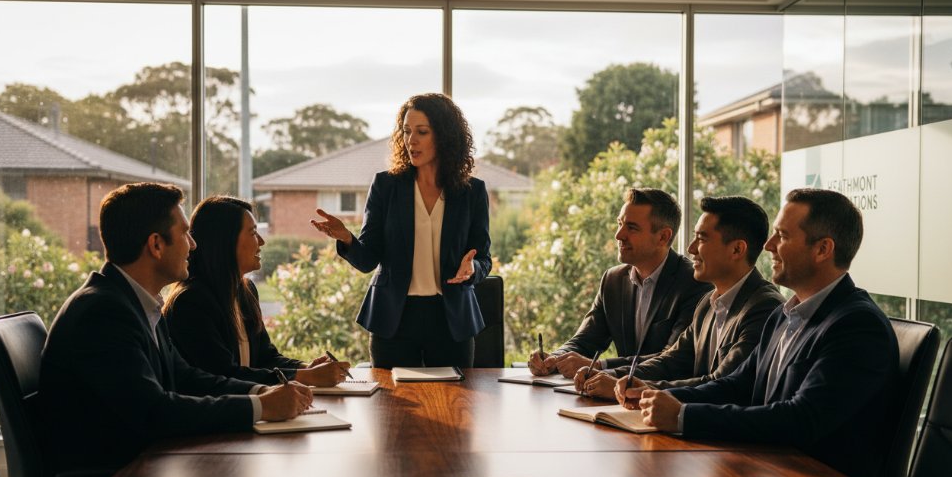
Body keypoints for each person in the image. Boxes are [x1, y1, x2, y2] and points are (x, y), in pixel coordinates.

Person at [619, 188, 897, 477]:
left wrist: (682, 416)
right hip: (774, 474)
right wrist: (657, 397)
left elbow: (800, 419)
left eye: (783, 236)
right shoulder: (785, 314)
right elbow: (738, 385)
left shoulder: (857, 325)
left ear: (822, 250)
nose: (768, 245)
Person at [41, 183, 314, 475]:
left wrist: (263, 392)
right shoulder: (103, 313)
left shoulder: (133, 302)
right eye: (185, 233)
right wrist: (260, 408)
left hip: (145, 469)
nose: (193, 244)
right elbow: (154, 412)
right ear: (156, 245)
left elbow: (185, 377)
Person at [310, 93, 491, 368]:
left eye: (422, 132)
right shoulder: (386, 186)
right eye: (406, 131)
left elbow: (484, 258)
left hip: (451, 321)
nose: (411, 140)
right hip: (394, 319)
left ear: (444, 136)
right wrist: (346, 238)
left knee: (454, 405)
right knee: (392, 407)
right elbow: (368, 259)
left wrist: (472, 270)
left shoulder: (472, 192)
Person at [575, 196, 783, 399]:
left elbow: (723, 383)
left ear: (737, 249)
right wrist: (610, 376)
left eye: (701, 239)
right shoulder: (708, 304)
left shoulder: (764, 307)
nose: (691, 248)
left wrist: (641, 390)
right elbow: (671, 361)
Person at [164, 195, 350, 386]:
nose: (261, 241)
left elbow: (266, 358)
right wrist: (305, 377)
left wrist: (306, 367)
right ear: (225, 241)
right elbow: (223, 375)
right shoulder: (190, 302)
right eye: (253, 233)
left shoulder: (245, 290)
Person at [528, 188, 712, 378]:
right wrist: (554, 359)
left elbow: (671, 359)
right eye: (620, 224)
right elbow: (585, 341)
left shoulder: (695, 282)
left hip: (663, 399)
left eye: (631, 228)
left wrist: (601, 366)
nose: (619, 235)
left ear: (663, 237)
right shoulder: (613, 280)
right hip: (615, 398)